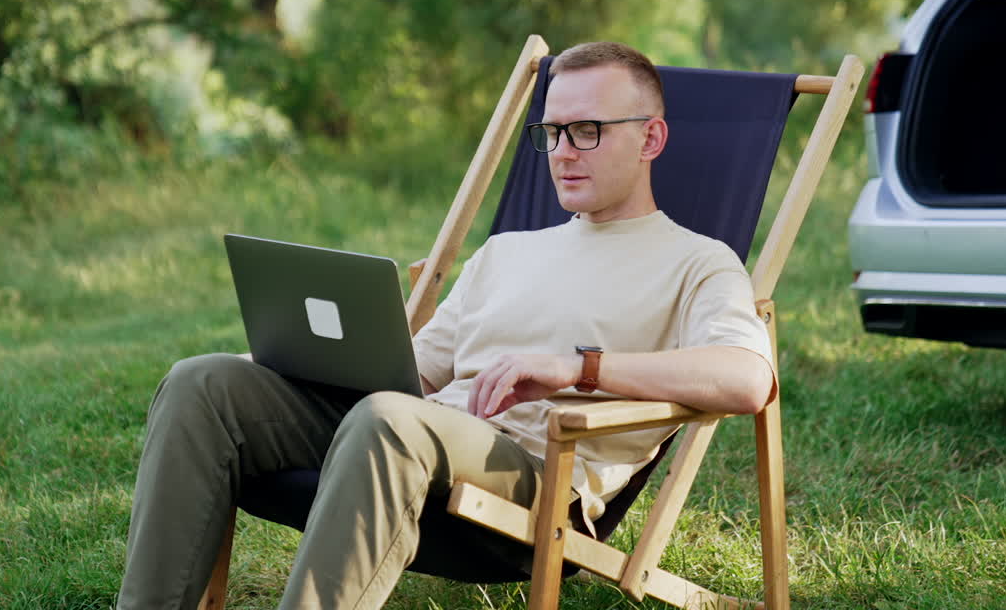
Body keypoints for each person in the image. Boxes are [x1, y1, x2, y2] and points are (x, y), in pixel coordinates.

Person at [116, 41, 776, 610]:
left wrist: (580, 367)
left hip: (534, 475)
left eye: (588, 131)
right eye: (550, 132)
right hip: (414, 435)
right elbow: (415, 374)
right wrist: (323, 349)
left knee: (390, 421)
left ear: (651, 138)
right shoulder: (508, 251)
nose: (563, 152)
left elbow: (747, 378)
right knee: (203, 383)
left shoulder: (696, 261)